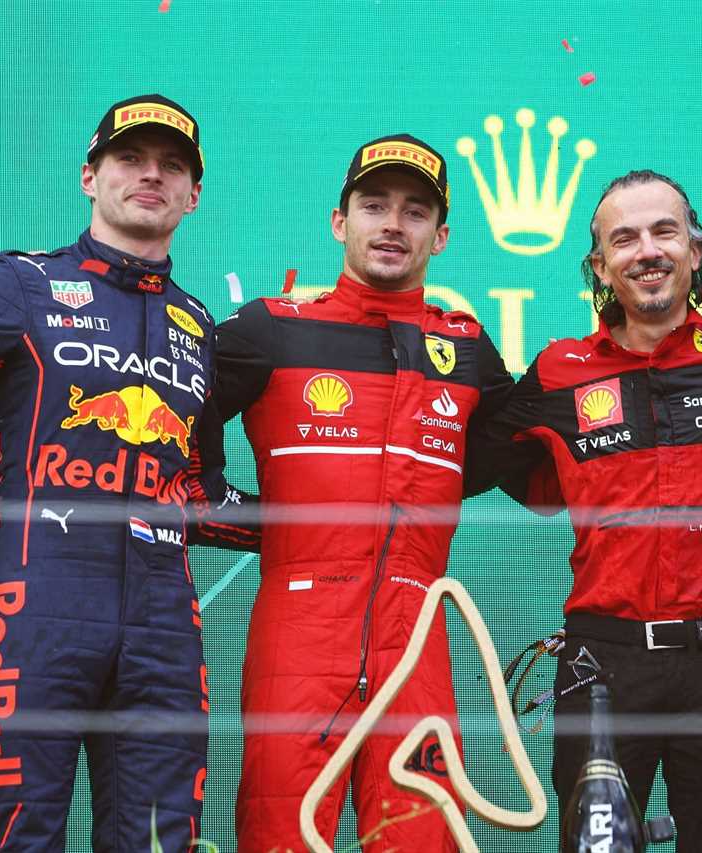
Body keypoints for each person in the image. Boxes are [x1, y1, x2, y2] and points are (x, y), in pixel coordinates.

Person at [0, 94, 259, 851]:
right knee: (17, 839)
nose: (151, 176)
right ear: (89, 176)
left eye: (172, 167)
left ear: (195, 196)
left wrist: (318, 524)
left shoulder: (198, 328)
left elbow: (195, 495)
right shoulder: (20, 286)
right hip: (39, 618)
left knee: (162, 842)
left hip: (165, 633)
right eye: (131, 159)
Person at [470, 169, 702, 852]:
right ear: (600, 266)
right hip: (600, 665)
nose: (648, 250)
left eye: (664, 230)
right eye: (624, 239)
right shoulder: (558, 370)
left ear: (696, 249)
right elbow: (478, 453)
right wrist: (559, 487)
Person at [210, 134, 516, 851]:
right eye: (373, 205)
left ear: (440, 237)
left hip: (417, 629)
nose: (391, 224)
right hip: (300, 624)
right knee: (279, 833)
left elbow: (532, 458)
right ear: (338, 221)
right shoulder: (271, 328)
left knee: (425, 838)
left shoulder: (468, 349)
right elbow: (166, 423)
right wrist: (254, 521)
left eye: (414, 212)